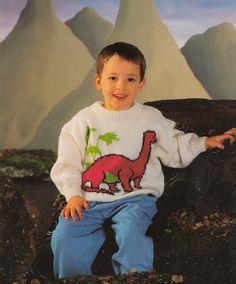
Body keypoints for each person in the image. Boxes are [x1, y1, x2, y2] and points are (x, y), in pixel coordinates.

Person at [50, 42, 236, 279]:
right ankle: (72, 278)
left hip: (135, 198)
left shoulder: (150, 118)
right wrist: (73, 195)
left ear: (141, 84)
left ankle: (136, 277)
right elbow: (68, 161)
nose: (121, 86)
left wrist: (203, 143)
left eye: (130, 79)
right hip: (90, 198)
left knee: (132, 233)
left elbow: (174, 143)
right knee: (65, 234)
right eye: (113, 78)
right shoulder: (81, 122)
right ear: (98, 81)